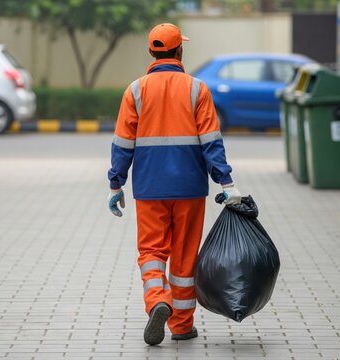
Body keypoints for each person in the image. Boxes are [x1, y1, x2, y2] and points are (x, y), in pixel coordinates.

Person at [106, 23, 241, 346]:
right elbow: (212, 142)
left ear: (152, 52)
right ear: (179, 51)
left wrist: (116, 184)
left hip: (150, 188)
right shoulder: (197, 89)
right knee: (184, 257)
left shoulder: (135, 90)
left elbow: (123, 143)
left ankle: (157, 300)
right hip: (190, 187)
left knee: (152, 252)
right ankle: (182, 326)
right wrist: (226, 182)